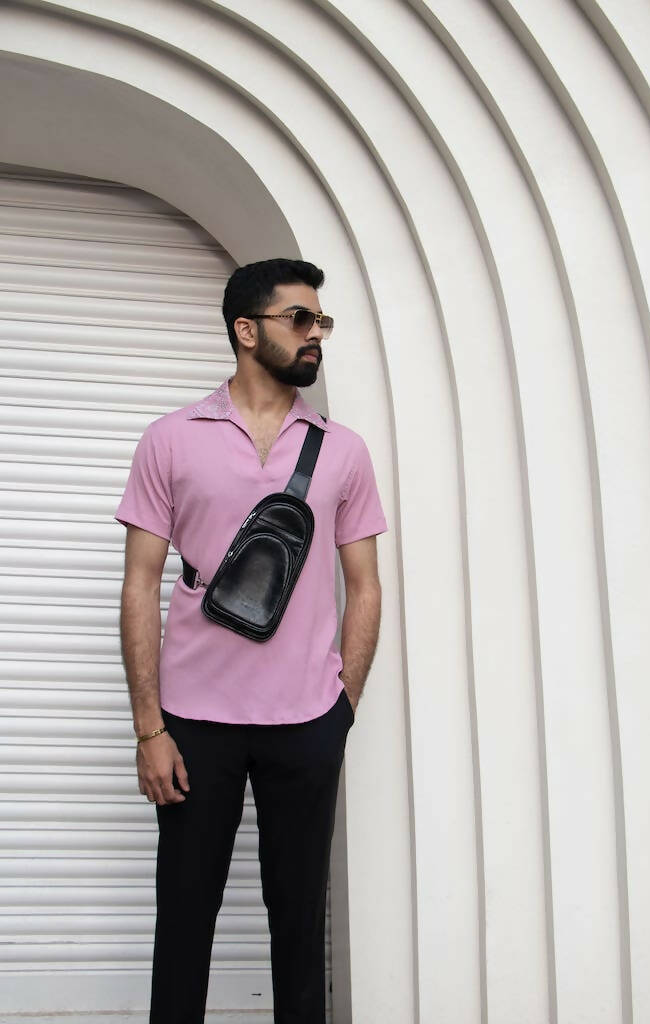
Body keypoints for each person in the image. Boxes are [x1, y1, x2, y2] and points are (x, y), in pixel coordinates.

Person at [115, 258, 387, 1024]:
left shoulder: (343, 451)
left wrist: (341, 704)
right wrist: (150, 728)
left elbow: (363, 584)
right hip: (194, 721)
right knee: (185, 922)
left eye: (319, 322)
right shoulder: (172, 438)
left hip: (305, 721)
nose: (314, 335)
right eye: (298, 320)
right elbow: (140, 584)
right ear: (246, 330)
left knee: (300, 927)